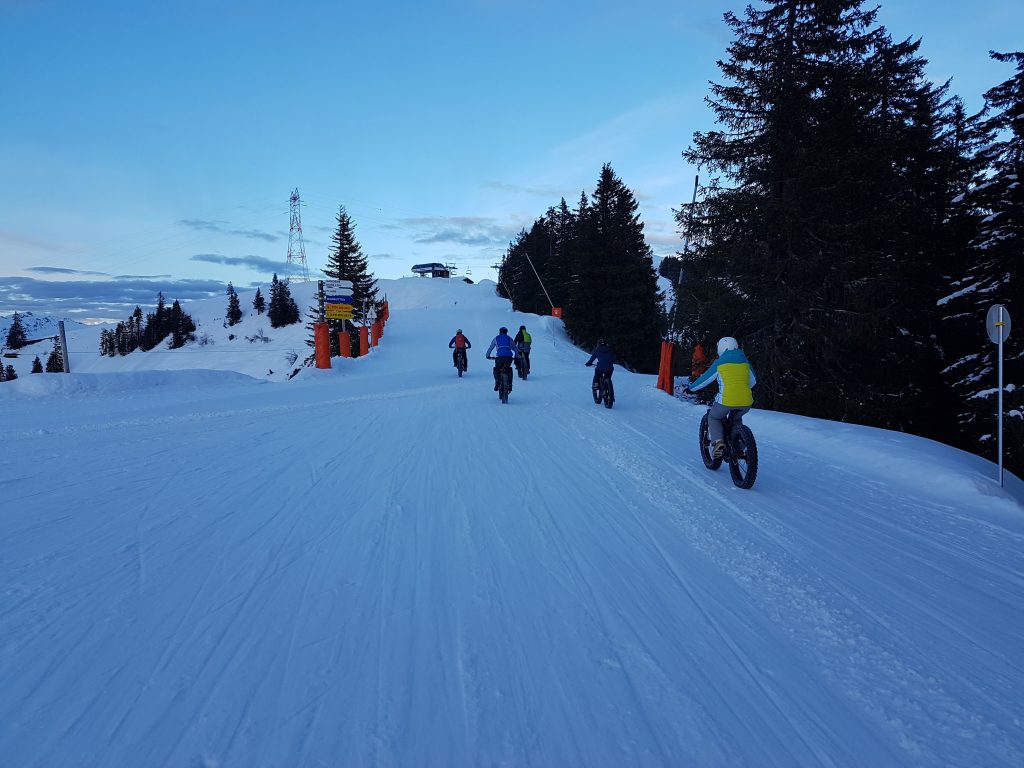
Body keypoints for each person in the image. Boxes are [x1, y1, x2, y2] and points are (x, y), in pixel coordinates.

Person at [687, 336, 757, 459]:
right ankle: (739, 445)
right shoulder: (745, 361)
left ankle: (718, 442)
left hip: (726, 401)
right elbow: (753, 381)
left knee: (713, 417)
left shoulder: (720, 363)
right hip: (746, 402)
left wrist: (691, 388)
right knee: (736, 418)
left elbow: (705, 379)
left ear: (721, 348)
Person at [485, 326, 521, 391]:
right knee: (509, 369)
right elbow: (515, 349)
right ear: (506, 332)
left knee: (496, 369)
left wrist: (488, 356)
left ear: (500, 332)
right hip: (509, 358)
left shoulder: (496, 338)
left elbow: (491, 347)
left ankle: (497, 382)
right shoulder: (510, 339)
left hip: (500, 358)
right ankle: (510, 384)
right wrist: (517, 357)